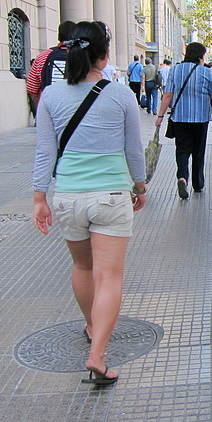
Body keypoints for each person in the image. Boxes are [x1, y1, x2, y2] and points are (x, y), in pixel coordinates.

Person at [31, 21, 146, 386]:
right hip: (111, 195)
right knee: (109, 275)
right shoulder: (120, 94)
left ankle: (92, 326)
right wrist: (140, 187)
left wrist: (39, 197)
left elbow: (44, 151)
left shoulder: (50, 96)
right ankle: (96, 354)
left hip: (67, 196)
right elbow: (133, 150)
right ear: (105, 55)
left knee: (82, 268)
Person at [155, 42, 212, 198]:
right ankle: (198, 183)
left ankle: (182, 177)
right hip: (200, 119)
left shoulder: (175, 70)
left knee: (182, 149)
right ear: (200, 56)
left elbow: (167, 95)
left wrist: (160, 116)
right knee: (198, 151)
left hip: (179, 118)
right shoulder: (206, 72)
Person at [26, 20, 77, 110]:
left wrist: (41, 108)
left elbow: (32, 88)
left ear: (58, 37)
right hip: (76, 110)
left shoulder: (43, 56)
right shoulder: (83, 56)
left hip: (50, 110)